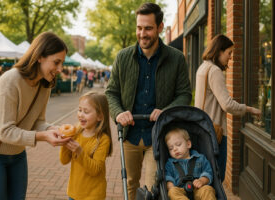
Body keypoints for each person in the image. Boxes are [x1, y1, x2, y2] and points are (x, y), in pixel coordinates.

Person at [105, 3, 191, 199]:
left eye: (148, 28)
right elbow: (111, 92)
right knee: (130, 184)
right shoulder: (123, 57)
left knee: (154, 188)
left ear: (160, 27)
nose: (142, 33)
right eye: (139, 28)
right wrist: (118, 113)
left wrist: (166, 111)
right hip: (129, 134)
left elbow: (184, 94)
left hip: (158, 135)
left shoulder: (176, 58)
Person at [0, 32, 71, 199]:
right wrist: (44, 136)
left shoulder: (45, 85)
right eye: (56, 62)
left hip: (17, 153)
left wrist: (54, 129)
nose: (60, 69)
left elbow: (38, 121)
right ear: (40, 56)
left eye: (61, 63)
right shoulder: (10, 80)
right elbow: (5, 132)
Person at [194, 34, 261, 182]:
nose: (230, 57)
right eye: (229, 53)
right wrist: (249, 109)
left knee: (204, 178)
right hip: (214, 133)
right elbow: (227, 104)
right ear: (219, 51)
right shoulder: (214, 71)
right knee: (216, 178)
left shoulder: (203, 67)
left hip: (200, 130)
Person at [59, 91, 112, 200]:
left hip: (93, 195)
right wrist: (64, 142)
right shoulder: (76, 131)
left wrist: (79, 152)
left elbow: (95, 170)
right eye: (79, 110)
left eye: (86, 112)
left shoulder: (103, 139)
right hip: (74, 192)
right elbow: (64, 160)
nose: (80, 115)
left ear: (100, 116)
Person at [165, 128, 216, 200]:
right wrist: (171, 186)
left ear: (188, 144)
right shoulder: (170, 163)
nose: (175, 149)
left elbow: (208, 172)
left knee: (208, 189)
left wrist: (202, 180)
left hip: (198, 189)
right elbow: (168, 177)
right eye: (171, 148)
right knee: (172, 192)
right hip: (180, 191)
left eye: (178, 145)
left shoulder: (200, 158)